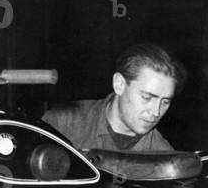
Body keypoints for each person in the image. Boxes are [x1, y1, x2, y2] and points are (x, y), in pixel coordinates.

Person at [42, 43, 186, 152]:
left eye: (165, 101)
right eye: (147, 97)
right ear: (119, 84)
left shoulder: (164, 157)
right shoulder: (61, 123)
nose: (156, 112)